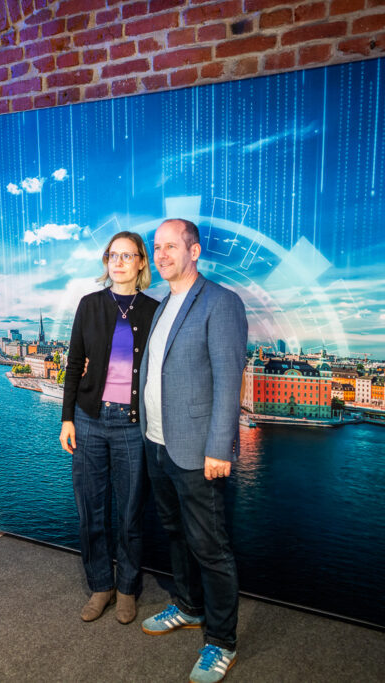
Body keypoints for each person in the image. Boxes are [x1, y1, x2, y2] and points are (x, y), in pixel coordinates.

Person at [138, 218, 247, 683]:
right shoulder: (164, 304)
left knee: (210, 547)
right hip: (159, 442)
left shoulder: (221, 303)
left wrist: (219, 447)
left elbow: (228, 380)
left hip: (198, 448)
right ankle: (187, 605)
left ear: (195, 251)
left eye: (170, 247)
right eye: (156, 247)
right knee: (174, 531)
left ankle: (221, 641)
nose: (161, 255)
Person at [60, 231, 159, 625]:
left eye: (127, 255)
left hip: (133, 427)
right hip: (89, 420)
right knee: (91, 509)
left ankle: (127, 589)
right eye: (112, 255)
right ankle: (101, 584)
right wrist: (67, 417)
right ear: (106, 262)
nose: (118, 262)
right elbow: (72, 364)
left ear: (140, 263)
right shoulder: (89, 305)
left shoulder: (155, 310)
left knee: (131, 512)